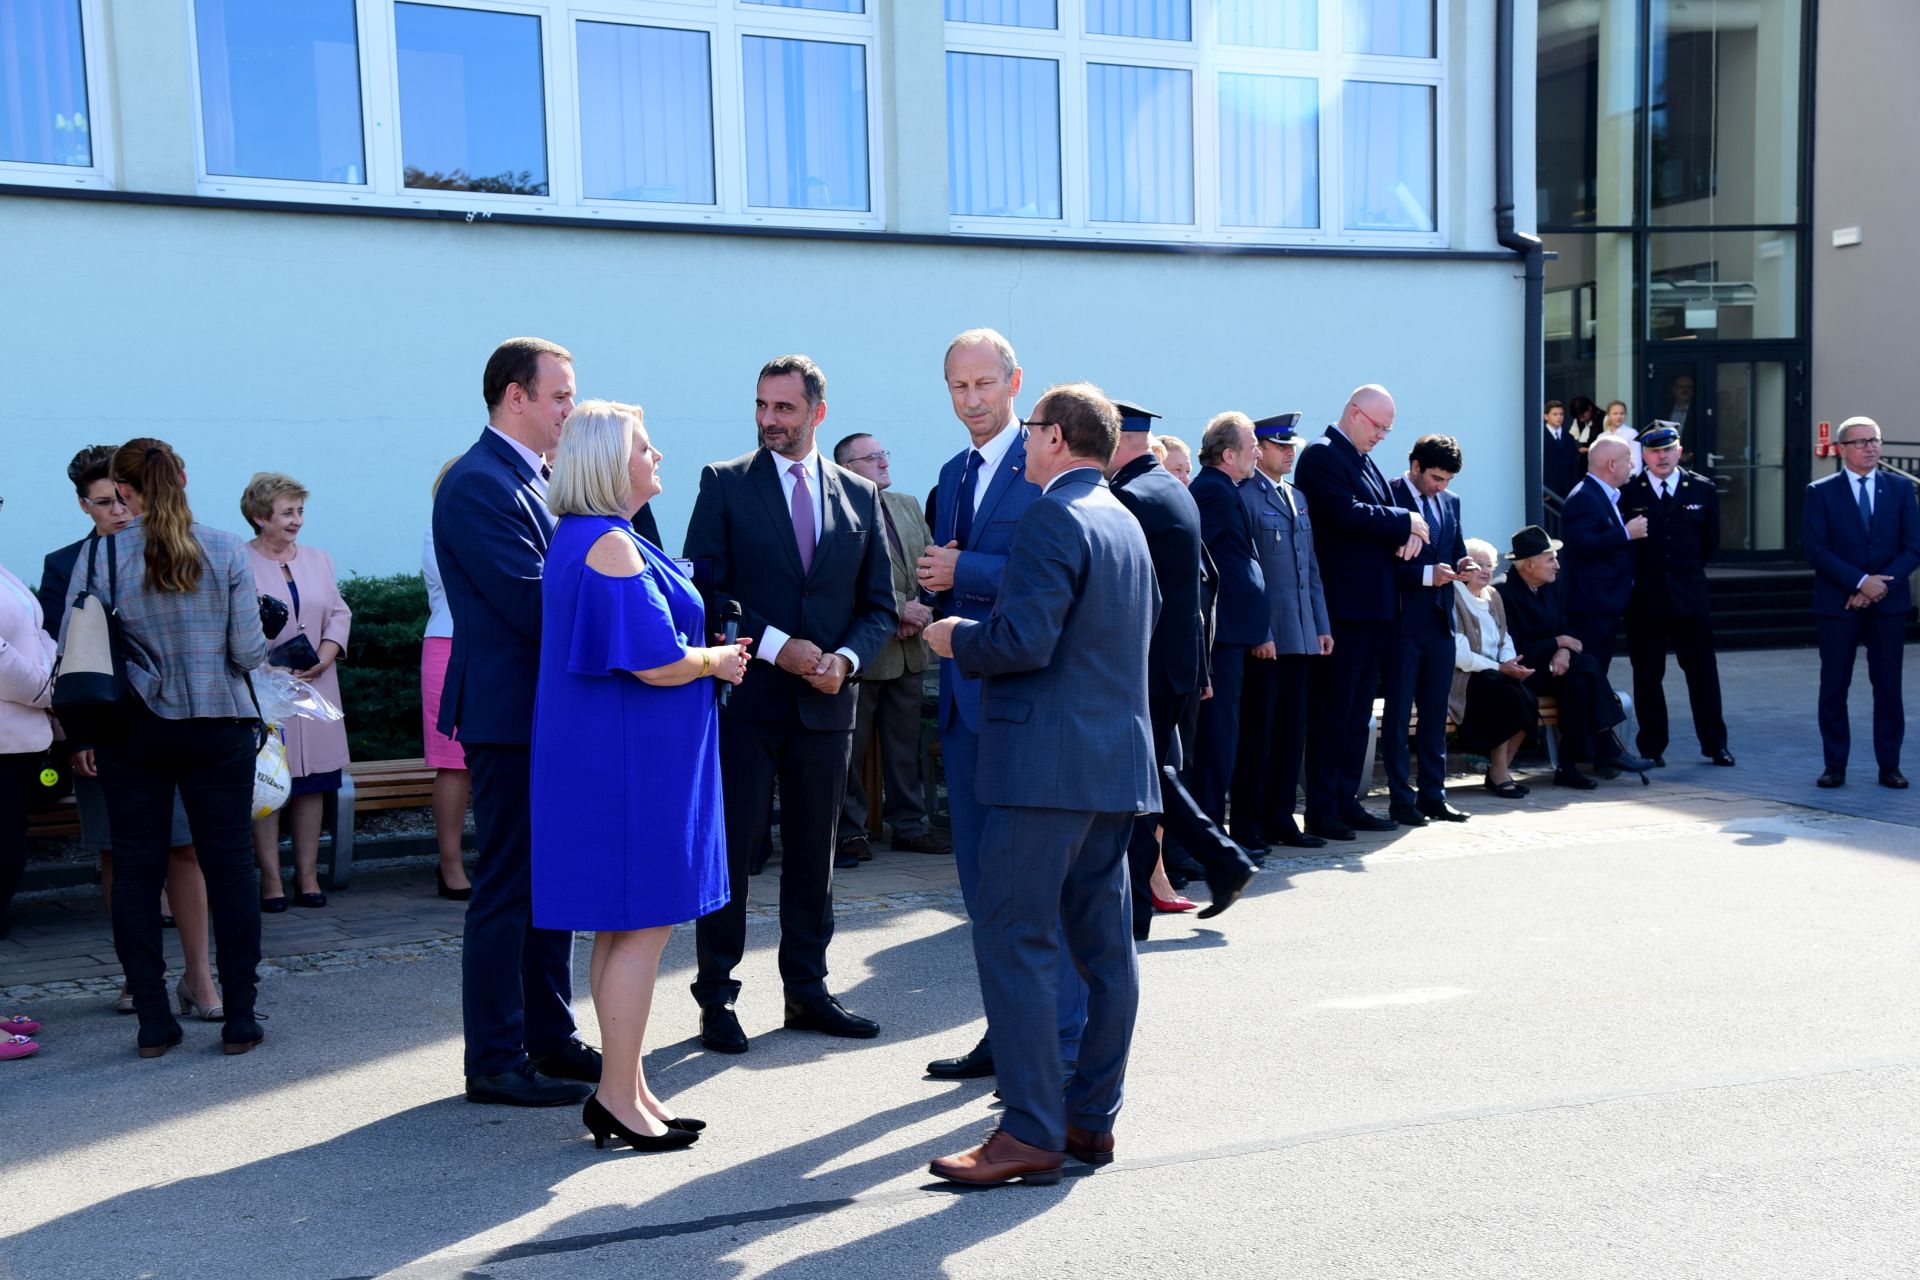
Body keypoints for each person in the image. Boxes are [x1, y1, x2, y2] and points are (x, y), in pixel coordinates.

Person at [922, 381, 1158, 1188]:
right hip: (1111, 765)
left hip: (1045, 766)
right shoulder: (1121, 516)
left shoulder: (1056, 515)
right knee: (1104, 950)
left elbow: (1024, 640)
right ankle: (1090, 1118)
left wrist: (957, 637)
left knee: (1013, 935)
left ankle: (1028, 1130)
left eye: (1029, 430)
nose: (1022, 442)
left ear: (1056, 436)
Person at [532, 400, 745, 1153]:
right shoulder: (609, 545)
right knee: (642, 927)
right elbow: (655, 663)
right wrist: (719, 660)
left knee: (626, 927)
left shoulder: (593, 537)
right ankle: (619, 1096)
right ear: (608, 464)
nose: (657, 456)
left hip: (619, 756)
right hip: (631, 765)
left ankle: (625, 1089)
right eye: (645, 447)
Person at [682, 353, 897, 1054]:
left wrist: (846, 660)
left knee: (815, 856)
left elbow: (878, 606)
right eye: (762, 405)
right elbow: (703, 591)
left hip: (828, 706)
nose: (769, 419)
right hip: (747, 702)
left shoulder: (859, 496)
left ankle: (807, 990)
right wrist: (778, 647)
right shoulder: (724, 483)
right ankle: (717, 997)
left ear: (817, 413)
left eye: (784, 408)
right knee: (734, 855)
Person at [434, 336, 598, 1107]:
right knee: (506, 888)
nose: (571, 407)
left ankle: (550, 1036)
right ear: (515, 396)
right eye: (560, 395)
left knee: (550, 881)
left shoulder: (535, 475)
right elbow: (533, 602)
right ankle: (495, 1060)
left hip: (545, 712)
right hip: (510, 716)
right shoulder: (478, 482)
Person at [67, 438, 269, 1057]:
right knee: (231, 867)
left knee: (136, 869)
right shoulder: (225, 547)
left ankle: (153, 1021)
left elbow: (77, 646)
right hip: (219, 721)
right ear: (182, 477)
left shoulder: (101, 554)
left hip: (134, 726)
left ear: (123, 490)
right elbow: (247, 653)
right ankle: (239, 1016)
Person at [916, 328, 1077, 1084]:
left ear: (1016, 384)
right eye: (958, 386)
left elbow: (1057, 573)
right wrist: (929, 592)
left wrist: (965, 570)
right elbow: (947, 575)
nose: (971, 399)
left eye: (984, 384)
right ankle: (1007, 1034)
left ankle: (1061, 1048)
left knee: (1039, 893)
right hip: (964, 705)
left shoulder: (1046, 464)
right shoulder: (953, 473)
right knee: (983, 890)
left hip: (1024, 706)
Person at [40, 445, 215, 1015]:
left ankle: (199, 977)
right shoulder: (66, 563)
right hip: (107, 730)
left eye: (121, 498)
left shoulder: (173, 548)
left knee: (184, 850)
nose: (117, 510)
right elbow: (65, 658)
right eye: (103, 502)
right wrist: (79, 737)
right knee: (121, 856)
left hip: (176, 723)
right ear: (83, 505)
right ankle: (137, 976)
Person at [1106, 401, 1258, 940]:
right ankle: (1219, 862)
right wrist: (1200, 663)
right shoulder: (1171, 489)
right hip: (1177, 663)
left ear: (1117, 438)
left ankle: (1144, 906)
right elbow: (1203, 582)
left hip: (1145, 664)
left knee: (1137, 782)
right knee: (1151, 775)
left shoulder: (1128, 496)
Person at [1293, 385, 1429, 840]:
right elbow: (1345, 513)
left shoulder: (1363, 459)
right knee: (1334, 711)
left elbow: (1382, 511)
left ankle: (1346, 800)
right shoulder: (1322, 455)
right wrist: (1404, 522)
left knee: (1357, 714)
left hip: (1374, 607)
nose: (1382, 436)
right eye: (1379, 426)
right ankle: (1323, 808)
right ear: (1354, 412)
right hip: (1344, 608)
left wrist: (1407, 528)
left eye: (1388, 429)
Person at [830, 433, 947, 864]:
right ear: (846, 469)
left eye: (884, 454)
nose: (883, 462)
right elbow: (840, 578)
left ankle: (910, 827)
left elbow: (930, 562)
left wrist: (923, 608)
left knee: (904, 746)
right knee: (851, 749)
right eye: (871, 457)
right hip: (864, 650)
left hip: (910, 649)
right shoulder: (835, 511)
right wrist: (898, 609)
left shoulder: (908, 505)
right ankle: (849, 832)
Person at [242, 473, 352, 911]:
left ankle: (307, 875)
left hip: (317, 688)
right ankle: (270, 880)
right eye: (287, 512)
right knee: (268, 785)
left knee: (313, 785)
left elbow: (339, 613)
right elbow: (234, 622)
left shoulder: (319, 558)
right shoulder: (238, 561)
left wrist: (326, 655)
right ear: (259, 516)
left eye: (300, 511)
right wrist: (265, 664)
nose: (297, 521)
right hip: (267, 690)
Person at [1231, 413, 1332, 851]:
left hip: (1301, 634)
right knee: (1259, 735)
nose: (1290, 453)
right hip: (1268, 638)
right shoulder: (1245, 495)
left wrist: (1321, 625)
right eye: (1281, 446)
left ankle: (1281, 817)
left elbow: (1310, 568)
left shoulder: (1297, 496)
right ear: (1260, 449)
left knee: (1292, 733)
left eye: (1292, 446)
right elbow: (1248, 573)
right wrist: (1261, 631)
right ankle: (1248, 823)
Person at [1804, 416, 1920, 789]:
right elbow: (1817, 549)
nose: (1870, 447)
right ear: (1842, 449)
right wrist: (1858, 582)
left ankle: (1890, 766)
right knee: (1834, 686)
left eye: (1875, 440)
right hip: (1838, 604)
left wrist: (1877, 585)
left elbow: (1913, 546)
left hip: (1888, 604)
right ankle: (1834, 765)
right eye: (1861, 442)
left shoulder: (1900, 489)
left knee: (1888, 688)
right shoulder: (1820, 492)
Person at [1495, 526, 1648, 788]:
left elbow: (1565, 629)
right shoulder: (1504, 592)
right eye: (1550, 560)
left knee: (1579, 684)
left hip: (1556, 669)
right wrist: (1557, 643)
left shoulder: (1549, 587)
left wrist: (1563, 651)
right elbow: (1515, 648)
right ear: (1529, 565)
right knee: (1587, 665)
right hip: (1521, 673)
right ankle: (1605, 748)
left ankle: (1569, 767)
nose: (1557, 565)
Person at [1619, 424, 1732, 768]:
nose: (1662, 456)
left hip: (1690, 598)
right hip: (1646, 600)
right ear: (1644, 455)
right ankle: (1652, 746)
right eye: (1654, 451)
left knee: (1703, 674)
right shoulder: (1628, 492)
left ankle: (1715, 744)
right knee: (1647, 676)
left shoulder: (1701, 488)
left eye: (1668, 449)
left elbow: (1710, 541)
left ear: (1679, 451)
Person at [1381, 434, 1473, 826]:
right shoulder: (1389, 494)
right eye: (1436, 478)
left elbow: (1455, 548)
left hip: (1440, 621)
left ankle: (1434, 796)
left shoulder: (1450, 501)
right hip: (1402, 623)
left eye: (1448, 480)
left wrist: (1465, 564)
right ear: (1415, 466)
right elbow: (1381, 566)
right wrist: (1425, 575)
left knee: (1435, 715)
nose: (1441, 486)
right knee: (1399, 715)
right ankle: (1401, 799)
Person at [1186, 412, 1266, 837]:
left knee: (1228, 736)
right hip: (1221, 636)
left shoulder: (1224, 488)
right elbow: (1196, 561)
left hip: (1234, 633)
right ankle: (1210, 836)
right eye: (1252, 446)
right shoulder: (1212, 492)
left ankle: (1215, 833)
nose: (1259, 452)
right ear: (1229, 454)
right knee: (1217, 739)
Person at [1450, 538, 1539, 797]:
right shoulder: (1453, 595)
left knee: (1528, 698)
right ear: (1464, 567)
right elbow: (1460, 655)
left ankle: (1500, 770)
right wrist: (1500, 669)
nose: (1486, 571)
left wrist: (1510, 663)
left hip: (1496, 674)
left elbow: (1504, 636)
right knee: (1504, 695)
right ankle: (1500, 774)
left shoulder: (1493, 595)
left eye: (1489, 565)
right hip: (1464, 676)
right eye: (1478, 565)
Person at [1, 539, 58, 941]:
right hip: (9, 729)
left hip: (20, 735)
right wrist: (47, 690)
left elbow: (39, 636)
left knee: (10, 831)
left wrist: (59, 674)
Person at [421, 458, 472, 900]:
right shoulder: (437, 529)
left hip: (492, 649)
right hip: (449, 646)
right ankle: (450, 863)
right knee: (454, 762)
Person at [1558, 435, 1645, 676]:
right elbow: (1579, 544)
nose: (1632, 465)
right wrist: (1625, 533)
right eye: (1628, 459)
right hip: (1591, 608)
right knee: (1590, 673)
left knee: (1598, 671)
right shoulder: (1584, 497)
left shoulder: (1605, 494)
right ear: (1612, 464)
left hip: (1606, 604)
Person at [1542, 401, 1581, 500]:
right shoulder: (1540, 437)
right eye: (1555, 414)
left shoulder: (1569, 438)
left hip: (1567, 491)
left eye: (1561, 414)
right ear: (1546, 416)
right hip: (1548, 491)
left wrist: (1574, 489)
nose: (1559, 417)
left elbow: (1573, 465)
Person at [1599, 400, 1642, 476]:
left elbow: (1636, 461)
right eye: (1615, 413)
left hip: (1626, 478)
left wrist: (1631, 478)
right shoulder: (1601, 437)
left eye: (1622, 413)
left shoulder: (1631, 433)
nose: (1619, 417)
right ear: (1608, 415)